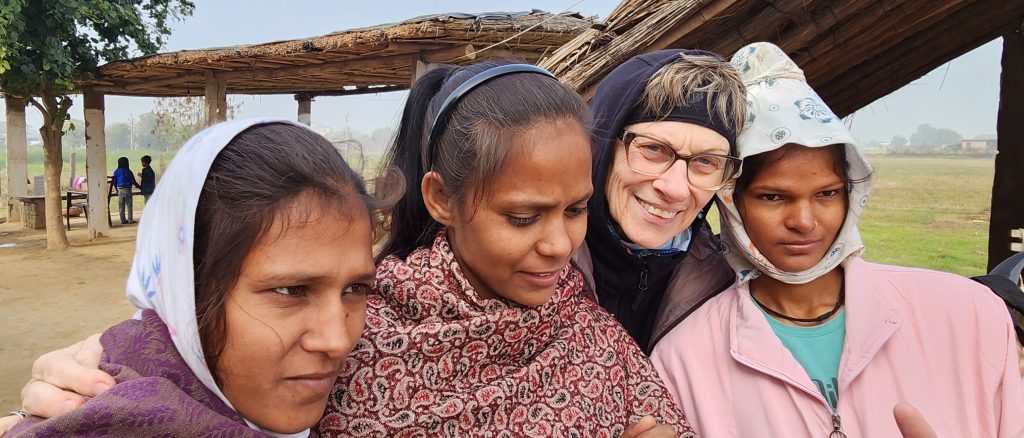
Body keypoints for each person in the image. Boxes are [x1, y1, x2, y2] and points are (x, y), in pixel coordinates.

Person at [648, 42, 1024, 437]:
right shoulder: (684, 360)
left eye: (826, 194)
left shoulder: (970, 316)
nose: (804, 222)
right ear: (731, 201)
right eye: (773, 197)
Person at [319, 60, 687, 437]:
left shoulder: (592, 331)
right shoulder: (358, 345)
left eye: (576, 210)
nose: (560, 246)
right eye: (523, 217)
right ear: (441, 198)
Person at [6, 119, 381, 437]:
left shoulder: (359, 395)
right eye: (290, 290)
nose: (338, 341)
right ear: (185, 289)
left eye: (355, 288)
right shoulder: (108, 418)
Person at [574, 49, 746, 352]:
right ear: (602, 147)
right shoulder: (530, 267)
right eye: (653, 149)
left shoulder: (726, 288)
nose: (676, 189)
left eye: (706, 161)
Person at [111, 156, 141, 224]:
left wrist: (116, 189)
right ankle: (130, 220)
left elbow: (114, 182)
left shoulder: (116, 171)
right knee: (129, 205)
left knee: (121, 206)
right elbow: (133, 181)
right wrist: (139, 187)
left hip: (120, 190)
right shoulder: (128, 171)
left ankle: (123, 220)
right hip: (128, 190)